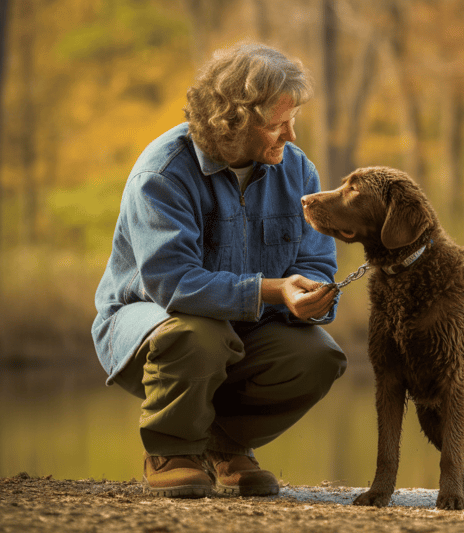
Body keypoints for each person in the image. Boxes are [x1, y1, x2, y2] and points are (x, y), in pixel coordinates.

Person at [91, 43, 347, 498]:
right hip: (151, 328)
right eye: (277, 124)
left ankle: (225, 444)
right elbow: (175, 285)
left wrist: (311, 298)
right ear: (234, 121)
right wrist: (273, 290)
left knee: (319, 355)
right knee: (201, 335)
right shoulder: (163, 173)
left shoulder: (298, 169)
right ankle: (171, 449)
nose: (290, 134)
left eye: (293, 121)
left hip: (245, 329)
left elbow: (316, 262)